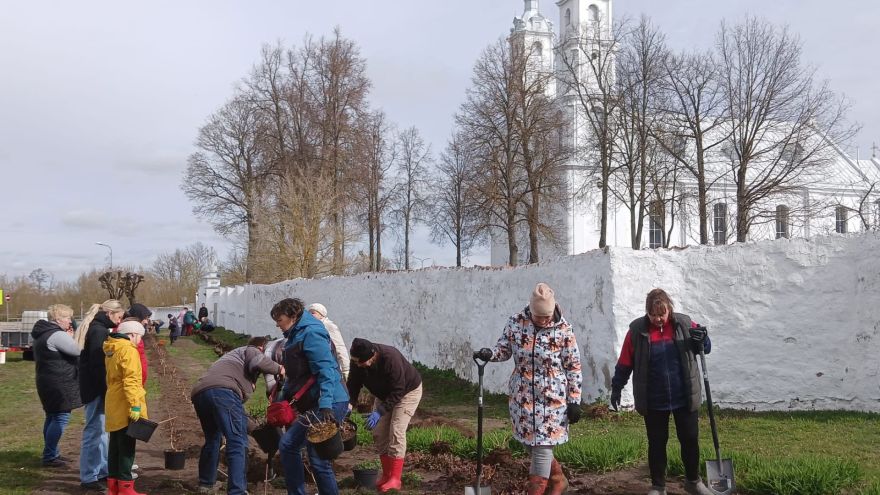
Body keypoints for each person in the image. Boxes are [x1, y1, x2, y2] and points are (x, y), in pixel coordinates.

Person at [474, 282, 582, 495]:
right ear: (530, 310)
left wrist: (575, 400)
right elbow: (504, 349)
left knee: (541, 451)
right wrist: (490, 354)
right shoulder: (516, 323)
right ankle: (559, 480)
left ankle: (538, 489)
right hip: (522, 398)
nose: (544, 320)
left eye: (548, 316)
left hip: (552, 399)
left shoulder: (563, 330)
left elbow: (573, 366)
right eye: (539, 316)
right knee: (532, 446)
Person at [609, 288, 713, 495]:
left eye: (661, 314)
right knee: (657, 443)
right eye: (653, 315)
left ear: (669, 310)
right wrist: (617, 387)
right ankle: (658, 486)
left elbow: (705, 348)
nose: (658, 319)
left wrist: (703, 339)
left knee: (690, 439)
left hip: (684, 395)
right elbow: (625, 362)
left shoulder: (684, 324)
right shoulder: (637, 331)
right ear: (647, 312)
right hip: (653, 399)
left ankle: (693, 481)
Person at [271, 298, 349, 495]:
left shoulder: (311, 333)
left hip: (330, 401)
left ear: (292, 316)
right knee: (292, 447)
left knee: (315, 455)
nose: (277, 324)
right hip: (316, 401)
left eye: (279, 319)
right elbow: (297, 374)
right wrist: (281, 399)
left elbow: (326, 371)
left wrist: (325, 404)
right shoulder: (297, 333)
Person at [191, 336, 283, 494]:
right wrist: (280, 369)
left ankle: (206, 484)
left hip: (201, 394)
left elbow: (232, 411)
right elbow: (259, 361)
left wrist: (256, 429)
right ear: (262, 347)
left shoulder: (232, 360)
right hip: (223, 392)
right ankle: (237, 491)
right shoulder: (252, 350)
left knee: (213, 439)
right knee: (238, 441)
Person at [347, 338, 422, 493]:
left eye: (362, 362)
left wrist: (379, 412)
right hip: (383, 394)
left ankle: (395, 479)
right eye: (356, 362)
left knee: (396, 429)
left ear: (372, 356)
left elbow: (398, 391)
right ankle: (387, 475)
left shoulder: (390, 358)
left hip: (407, 392)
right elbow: (353, 385)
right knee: (379, 433)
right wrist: (348, 405)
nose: (359, 365)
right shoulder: (357, 362)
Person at [78, 299, 126, 490]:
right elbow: (98, 365)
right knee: (94, 432)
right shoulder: (98, 331)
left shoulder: (99, 328)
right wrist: (108, 390)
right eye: (119, 316)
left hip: (95, 388)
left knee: (102, 432)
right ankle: (89, 477)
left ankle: (104, 471)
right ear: (110, 314)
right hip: (96, 390)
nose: (120, 320)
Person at [31, 304, 83, 469]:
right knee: (60, 417)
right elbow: (77, 350)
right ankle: (50, 456)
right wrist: (74, 336)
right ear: (58, 319)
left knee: (52, 416)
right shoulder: (57, 335)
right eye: (68, 318)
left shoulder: (43, 333)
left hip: (47, 380)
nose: (70, 321)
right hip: (59, 382)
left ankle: (51, 453)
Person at [104, 320, 149, 495]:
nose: (139, 342)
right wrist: (135, 406)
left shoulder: (111, 348)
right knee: (127, 448)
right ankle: (126, 488)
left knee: (114, 446)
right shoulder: (128, 350)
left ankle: (113, 487)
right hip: (125, 403)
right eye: (139, 337)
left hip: (113, 399)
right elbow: (131, 381)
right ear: (132, 335)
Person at [308, 303, 350, 380]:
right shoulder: (310, 327)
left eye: (313, 313)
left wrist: (346, 369)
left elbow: (339, 347)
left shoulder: (329, 326)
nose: (310, 315)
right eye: (309, 313)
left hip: (331, 366)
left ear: (322, 315)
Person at [125, 304, 153, 387]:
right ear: (137, 317)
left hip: (138, 382)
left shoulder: (136, 333)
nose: (146, 321)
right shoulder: (129, 335)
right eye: (144, 318)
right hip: (133, 384)